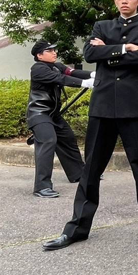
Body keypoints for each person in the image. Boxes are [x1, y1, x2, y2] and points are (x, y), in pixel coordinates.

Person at [43, 0, 138, 251]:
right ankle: (77, 229)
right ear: (114, 1)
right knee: (91, 170)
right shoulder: (101, 26)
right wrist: (125, 48)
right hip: (102, 107)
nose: (124, 1)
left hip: (134, 107)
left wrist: (108, 51)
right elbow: (89, 52)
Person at [26, 40, 93, 198]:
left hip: (53, 115)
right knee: (48, 141)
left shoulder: (57, 65)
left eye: (54, 50)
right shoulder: (38, 69)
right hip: (39, 114)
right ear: (40, 55)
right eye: (49, 51)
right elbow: (60, 79)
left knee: (68, 139)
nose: (54, 52)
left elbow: (71, 73)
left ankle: (78, 174)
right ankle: (42, 187)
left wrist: (93, 74)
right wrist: (85, 83)